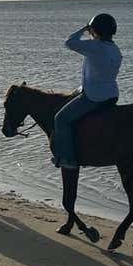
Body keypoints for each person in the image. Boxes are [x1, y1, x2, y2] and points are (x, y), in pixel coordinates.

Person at [52, 14, 122, 169]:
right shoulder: (115, 49)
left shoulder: (95, 46)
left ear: (94, 30)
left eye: (92, 29)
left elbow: (69, 42)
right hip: (111, 94)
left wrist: (84, 28)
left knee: (60, 119)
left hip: (94, 96)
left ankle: (68, 159)